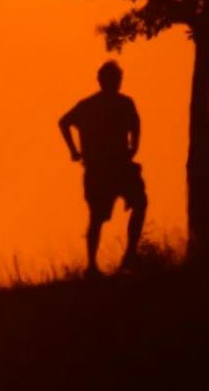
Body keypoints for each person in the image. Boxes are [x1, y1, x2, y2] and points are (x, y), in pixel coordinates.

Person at [58, 61, 145, 276]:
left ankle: (129, 255)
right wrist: (73, 150)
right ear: (102, 81)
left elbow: (135, 126)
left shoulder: (120, 104)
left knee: (138, 203)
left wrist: (133, 148)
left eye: (118, 79)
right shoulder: (91, 105)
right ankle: (93, 265)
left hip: (118, 167)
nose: (116, 83)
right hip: (100, 169)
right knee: (97, 217)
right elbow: (64, 122)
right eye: (113, 79)